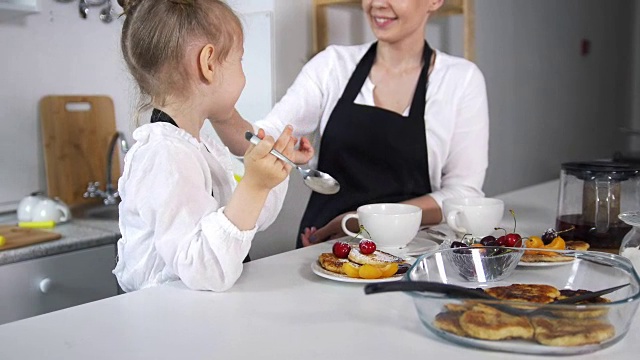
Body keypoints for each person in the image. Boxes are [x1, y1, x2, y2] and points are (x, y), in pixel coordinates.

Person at [212, 0, 489, 248]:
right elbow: (261, 139)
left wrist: (361, 219)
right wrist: (215, 105)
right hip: (324, 246)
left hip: (410, 250)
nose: (377, 3)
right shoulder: (333, 66)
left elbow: (463, 194)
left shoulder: (460, 80)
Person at [112, 0, 295, 292]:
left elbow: (240, 227)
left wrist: (271, 172)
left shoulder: (194, 148)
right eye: (239, 60)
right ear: (209, 64)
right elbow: (205, 270)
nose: (243, 73)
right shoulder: (164, 155)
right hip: (166, 327)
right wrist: (254, 186)